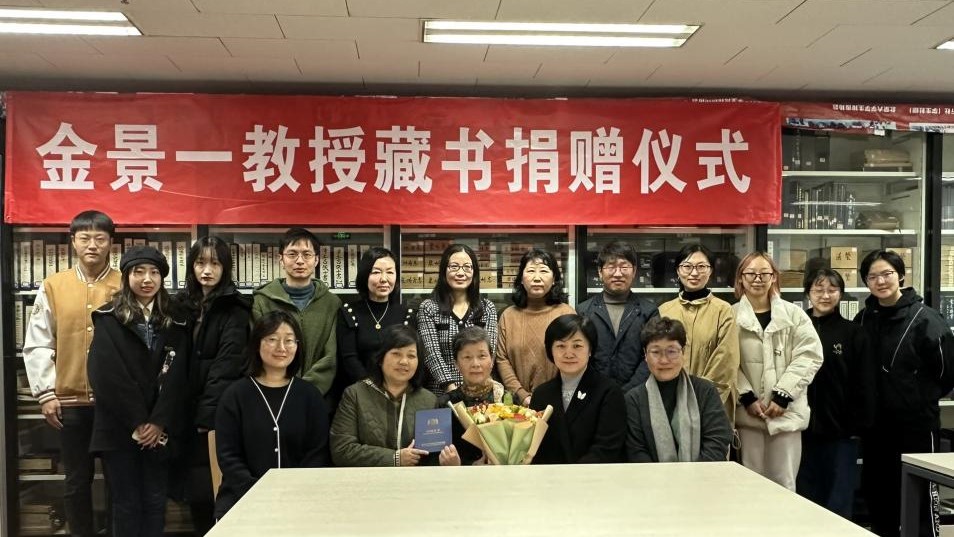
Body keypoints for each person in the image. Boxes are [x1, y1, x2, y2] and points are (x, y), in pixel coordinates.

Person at [23, 210, 121, 537]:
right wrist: (45, 393)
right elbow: (38, 342)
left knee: (119, 480)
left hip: (114, 404)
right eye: (85, 238)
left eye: (100, 238)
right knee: (76, 481)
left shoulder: (125, 283)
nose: (92, 245)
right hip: (69, 402)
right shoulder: (54, 285)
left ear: (111, 243)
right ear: (73, 242)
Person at [87, 245, 189, 537]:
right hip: (119, 428)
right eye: (139, 272)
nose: (147, 279)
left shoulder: (177, 320)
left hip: (161, 430)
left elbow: (180, 376)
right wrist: (138, 422)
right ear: (126, 277)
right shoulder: (107, 318)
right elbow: (106, 376)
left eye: (154, 272)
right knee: (125, 504)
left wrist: (158, 422)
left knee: (156, 503)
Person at [855, 250, 954, 537]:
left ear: (900, 275)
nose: (880, 281)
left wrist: (914, 396)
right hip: (875, 428)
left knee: (920, 495)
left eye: (886, 274)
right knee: (878, 496)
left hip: (916, 426)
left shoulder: (926, 319)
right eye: (872, 276)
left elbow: (946, 372)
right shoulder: (863, 319)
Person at [214, 311, 330, 520]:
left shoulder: (310, 395)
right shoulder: (235, 395)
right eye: (272, 339)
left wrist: (294, 491)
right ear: (257, 344)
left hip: (299, 499)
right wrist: (258, 493)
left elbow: (317, 453)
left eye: (289, 340)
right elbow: (229, 456)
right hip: (242, 498)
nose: (281, 348)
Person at [172, 236, 250, 534]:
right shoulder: (179, 306)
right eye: (200, 263)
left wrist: (207, 414)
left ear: (225, 267)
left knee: (214, 486)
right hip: (180, 412)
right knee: (192, 489)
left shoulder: (236, 308)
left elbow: (227, 367)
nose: (207, 270)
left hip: (215, 414)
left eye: (215, 263)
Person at [732, 251, 823, 491]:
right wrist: (746, 396)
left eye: (764, 273)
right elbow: (727, 362)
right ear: (740, 278)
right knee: (749, 486)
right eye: (751, 273)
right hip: (749, 417)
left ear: (774, 277)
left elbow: (810, 355)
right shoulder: (730, 316)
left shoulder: (794, 315)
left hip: (786, 415)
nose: (758, 279)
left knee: (785, 484)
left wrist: (783, 395)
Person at [796, 268, 870, 519]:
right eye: (818, 289)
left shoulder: (853, 333)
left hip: (841, 432)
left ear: (841, 294)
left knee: (838, 500)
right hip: (800, 430)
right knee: (803, 498)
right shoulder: (796, 328)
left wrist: (858, 425)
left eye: (832, 290)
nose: (825, 296)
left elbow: (864, 382)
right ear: (808, 293)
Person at [331, 325, 456, 467]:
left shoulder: (428, 400)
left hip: (414, 479)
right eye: (396, 354)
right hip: (368, 479)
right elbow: (341, 450)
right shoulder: (355, 394)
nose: (404, 361)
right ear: (380, 358)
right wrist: (394, 458)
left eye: (411, 356)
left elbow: (434, 454)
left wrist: (448, 461)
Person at [625, 317, 733, 463]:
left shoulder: (705, 391)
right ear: (645, 355)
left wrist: (692, 475)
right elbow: (635, 450)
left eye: (672, 351)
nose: (664, 360)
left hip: (703, 474)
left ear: (683, 352)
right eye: (655, 352)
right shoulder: (634, 399)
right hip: (651, 476)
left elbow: (717, 441)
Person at [252, 227, 340, 402]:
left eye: (307, 254)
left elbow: (330, 356)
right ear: (281, 259)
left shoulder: (332, 303)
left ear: (316, 260)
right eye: (292, 254)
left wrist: (303, 392)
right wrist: (280, 388)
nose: (300, 261)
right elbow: (258, 350)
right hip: (271, 395)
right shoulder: (261, 302)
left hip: (316, 397)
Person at [657, 244, 740, 422]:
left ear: (711, 271)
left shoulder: (723, 310)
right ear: (678, 270)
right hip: (672, 402)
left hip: (713, 404)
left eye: (701, 266)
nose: (694, 273)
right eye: (687, 266)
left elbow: (726, 360)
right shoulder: (664, 311)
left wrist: (703, 399)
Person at [530, 314, 626, 464]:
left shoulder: (609, 392)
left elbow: (606, 449)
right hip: (549, 476)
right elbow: (535, 448)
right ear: (550, 350)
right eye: (561, 346)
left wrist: (573, 475)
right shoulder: (541, 394)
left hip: (593, 475)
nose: (569, 354)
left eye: (577, 346)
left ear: (590, 349)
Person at [496, 248, 575, 407]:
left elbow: (573, 359)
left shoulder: (566, 313)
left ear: (554, 279)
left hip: (559, 402)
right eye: (531, 271)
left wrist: (550, 396)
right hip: (517, 405)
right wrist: (522, 396)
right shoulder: (508, 316)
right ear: (521, 279)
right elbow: (502, 359)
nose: (537, 278)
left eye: (544, 271)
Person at [334, 247, 414, 400]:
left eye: (390, 272)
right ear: (365, 275)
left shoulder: (407, 314)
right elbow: (349, 358)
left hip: (398, 392)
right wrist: (374, 389)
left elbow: (410, 358)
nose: (384, 279)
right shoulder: (348, 311)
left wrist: (394, 389)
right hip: (359, 393)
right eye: (376, 272)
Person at [577, 241, 658, 391]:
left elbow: (653, 353)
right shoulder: (584, 311)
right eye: (611, 267)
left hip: (637, 394)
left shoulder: (649, 311)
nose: (618, 273)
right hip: (594, 393)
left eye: (624, 267)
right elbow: (580, 354)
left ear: (634, 271)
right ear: (600, 272)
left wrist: (629, 391)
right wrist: (599, 390)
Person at [417, 244, 498, 395]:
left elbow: (490, 353)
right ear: (444, 270)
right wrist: (452, 389)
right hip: (442, 393)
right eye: (454, 267)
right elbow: (431, 355)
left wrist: (474, 389)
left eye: (467, 267)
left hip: (480, 392)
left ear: (474, 272)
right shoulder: (429, 308)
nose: (461, 273)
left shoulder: (487, 308)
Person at [437, 326, 506, 465]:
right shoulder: (445, 405)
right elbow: (434, 454)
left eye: (482, 356)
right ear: (456, 364)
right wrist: (457, 465)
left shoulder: (507, 399)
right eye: (467, 357)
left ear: (492, 361)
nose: (475, 364)